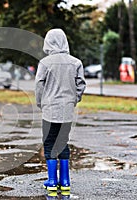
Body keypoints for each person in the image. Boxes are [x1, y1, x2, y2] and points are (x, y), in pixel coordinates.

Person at [35, 29, 86, 195]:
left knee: (49, 143)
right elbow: (81, 84)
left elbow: (39, 86)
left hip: (49, 109)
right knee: (63, 142)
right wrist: (74, 100)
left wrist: (40, 103)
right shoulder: (76, 62)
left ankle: (52, 181)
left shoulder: (45, 63)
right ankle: (65, 182)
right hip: (67, 110)